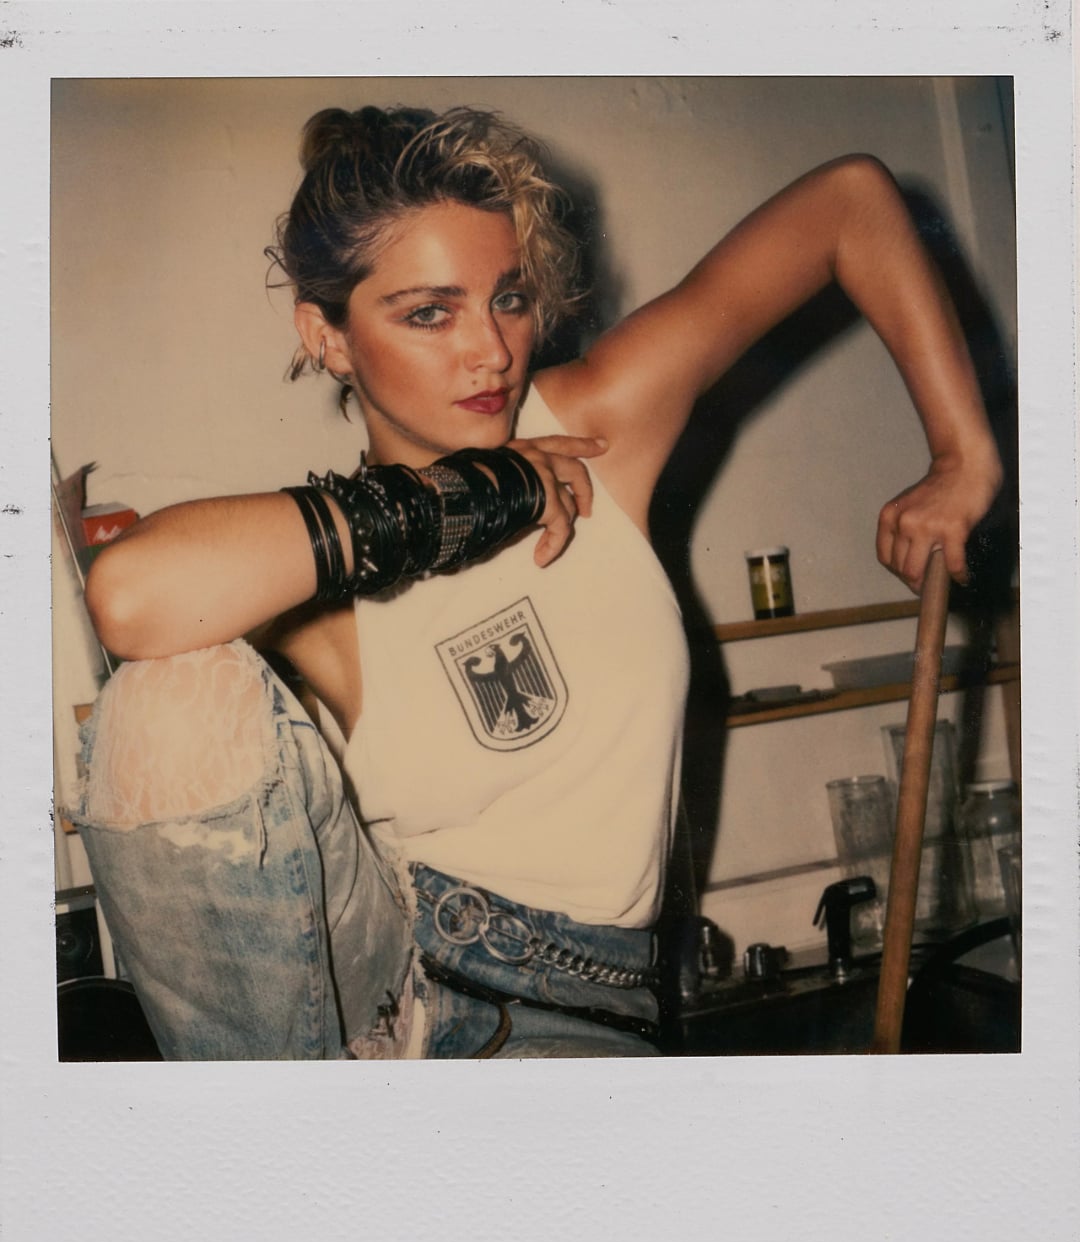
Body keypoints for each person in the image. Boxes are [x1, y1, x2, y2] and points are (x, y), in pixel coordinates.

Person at [70, 105, 1003, 1060]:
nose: (491, 350)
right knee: (164, 704)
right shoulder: (324, 578)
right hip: (385, 989)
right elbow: (129, 593)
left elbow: (850, 203)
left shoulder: (594, 431)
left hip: (577, 1014)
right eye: (429, 313)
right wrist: (475, 495)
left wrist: (961, 455)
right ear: (329, 336)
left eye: (508, 298)